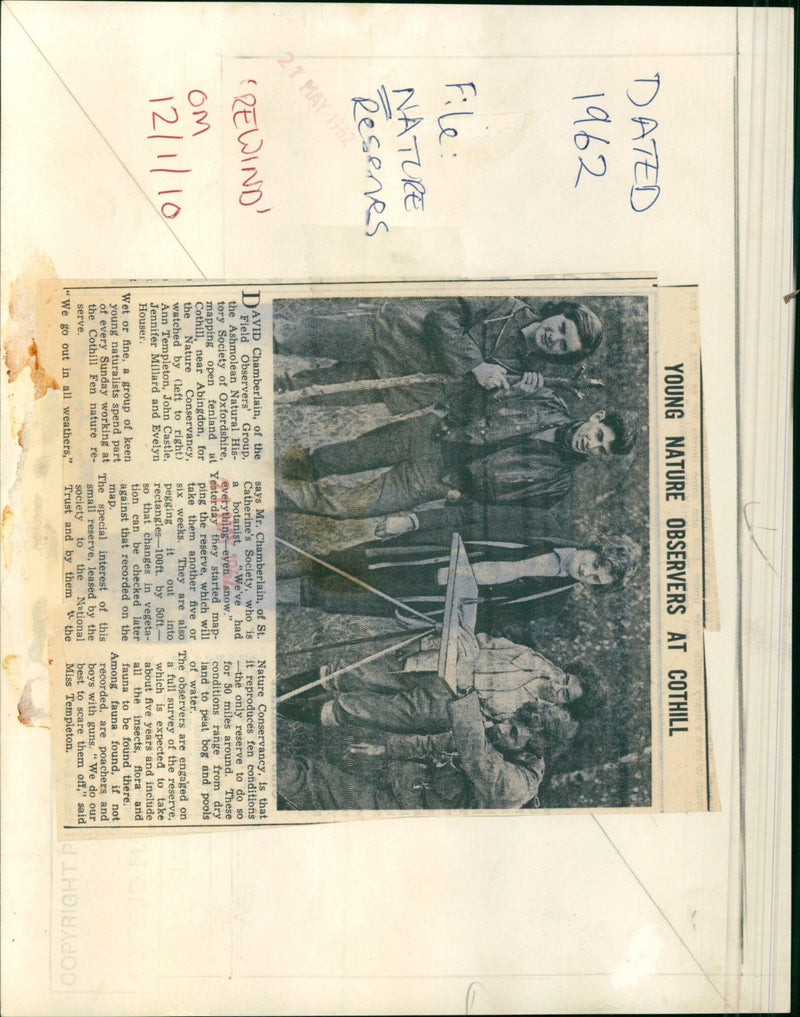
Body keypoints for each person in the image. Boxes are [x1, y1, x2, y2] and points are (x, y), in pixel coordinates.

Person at [275, 389, 638, 518]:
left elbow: (493, 511)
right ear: (597, 417)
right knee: (333, 458)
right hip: (425, 436)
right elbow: (480, 389)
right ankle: (263, 474)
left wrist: (454, 497)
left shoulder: (556, 485)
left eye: (601, 449)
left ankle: (268, 498)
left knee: (344, 506)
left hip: (432, 482)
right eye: (599, 435)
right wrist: (442, 411)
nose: (591, 444)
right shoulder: (545, 397)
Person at [273, 297, 604, 409]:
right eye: (562, 328)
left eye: (564, 346)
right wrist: (475, 364)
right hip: (390, 334)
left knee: (302, 393)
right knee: (288, 337)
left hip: (397, 382)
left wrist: (511, 394)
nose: (554, 339)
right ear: (558, 312)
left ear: (562, 357)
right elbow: (442, 317)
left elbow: (466, 405)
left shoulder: (525, 369)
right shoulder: (505, 304)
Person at [297, 526, 643, 627]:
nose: (588, 571)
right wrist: (417, 521)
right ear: (596, 546)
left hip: (432, 600)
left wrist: (440, 625)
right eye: (596, 562)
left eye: (596, 579)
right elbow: (473, 516)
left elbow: (486, 620)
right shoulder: (546, 526)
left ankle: (265, 600)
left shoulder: (552, 601)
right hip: (426, 552)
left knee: (333, 599)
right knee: (326, 566)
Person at [278, 626, 589, 733]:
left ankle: (282, 711)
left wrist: (466, 697)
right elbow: (484, 640)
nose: (556, 686)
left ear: (563, 708)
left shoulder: (532, 716)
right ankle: (282, 690)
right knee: (354, 672)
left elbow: (483, 726)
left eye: (563, 694)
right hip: (433, 666)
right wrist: (447, 642)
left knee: (359, 709)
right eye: (565, 679)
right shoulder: (533, 659)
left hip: (438, 706)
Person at [277, 689, 546, 810]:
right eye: (510, 720)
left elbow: (476, 757)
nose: (502, 727)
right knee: (324, 779)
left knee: (314, 785)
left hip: (410, 820)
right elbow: (436, 743)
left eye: (513, 732)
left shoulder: (518, 787)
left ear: (528, 754)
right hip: (408, 785)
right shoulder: (498, 741)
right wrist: (384, 748)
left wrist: (465, 701)